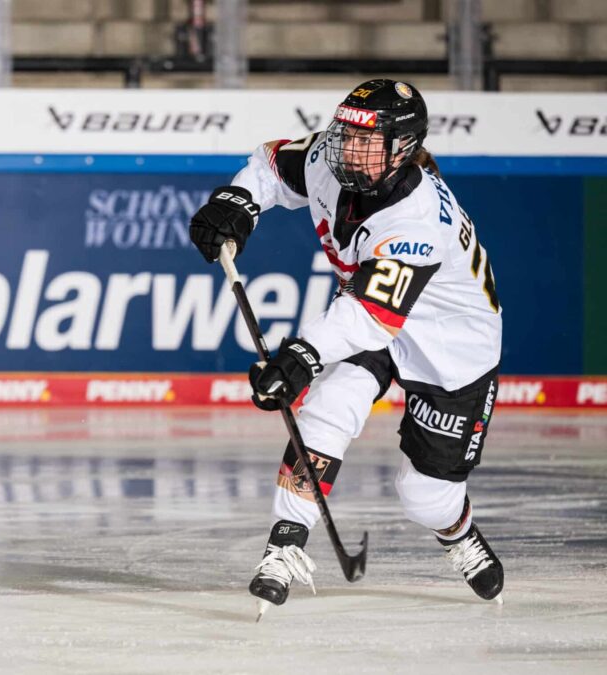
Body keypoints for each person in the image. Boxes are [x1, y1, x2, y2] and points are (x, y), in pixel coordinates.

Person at [189, 79, 504, 615]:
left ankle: (457, 530)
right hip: (373, 318)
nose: (348, 150)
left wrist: (301, 356)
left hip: (450, 347)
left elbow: (371, 316)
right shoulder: (329, 160)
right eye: (345, 134)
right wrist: (239, 200)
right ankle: (284, 543)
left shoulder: (415, 220)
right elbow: (270, 164)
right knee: (325, 412)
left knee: (425, 497)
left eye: (367, 140)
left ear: (402, 148)